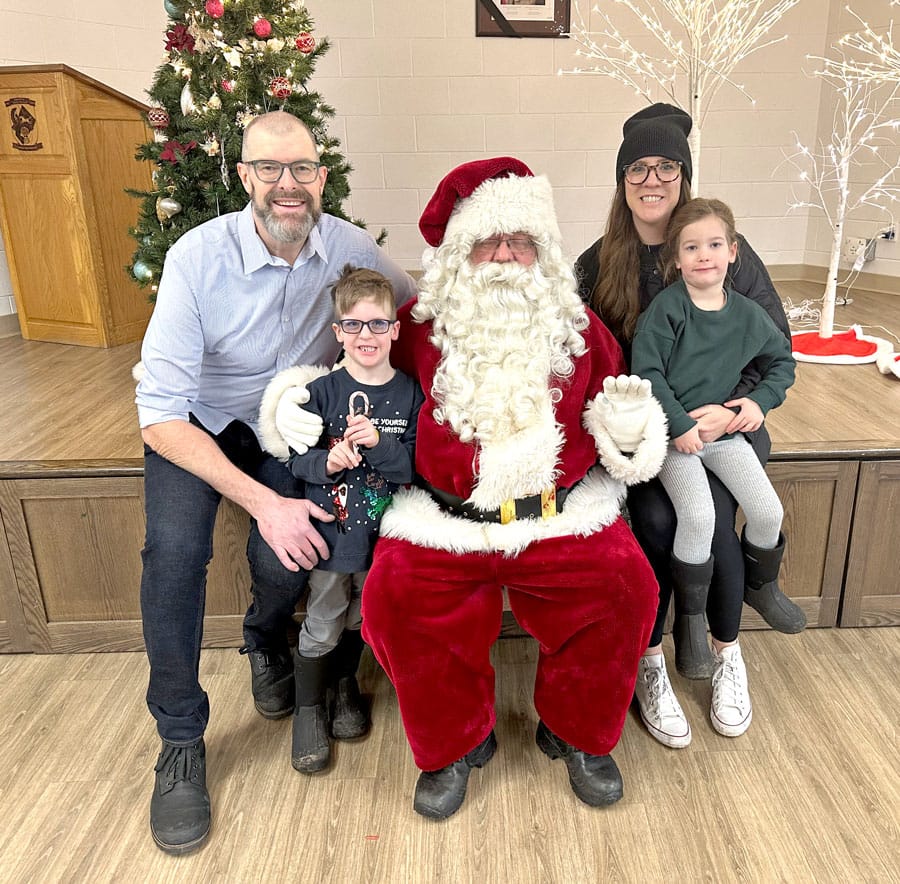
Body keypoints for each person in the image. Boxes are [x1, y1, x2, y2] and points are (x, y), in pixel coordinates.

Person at [264, 157, 669, 819]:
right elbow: (345, 382)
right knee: (394, 601)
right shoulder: (413, 328)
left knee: (628, 588)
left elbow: (616, 419)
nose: (506, 255)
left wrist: (626, 430)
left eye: (522, 241)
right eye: (490, 240)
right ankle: (455, 740)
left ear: (543, 252)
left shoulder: (580, 330)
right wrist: (294, 408)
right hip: (443, 521)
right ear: (459, 251)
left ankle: (576, 731)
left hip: (558, 519)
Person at [135, 110, 416, 855]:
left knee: (292, 551)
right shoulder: (198, 257)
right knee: (173, 553)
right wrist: (262, 502)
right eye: (270, 170)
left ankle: (265, 642)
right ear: (244, 177)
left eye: (303, 170)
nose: (287, 187)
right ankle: (180, 740)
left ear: (322, 176)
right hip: (199, 424)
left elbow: (413, 310)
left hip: (287, 426)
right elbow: (157, 415)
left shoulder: (348, 245)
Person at [575, 103, 805, 751]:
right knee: (656, 522)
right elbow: (580, 353)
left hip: (726, 421)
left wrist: (736, 409)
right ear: (622, 181)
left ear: (684, 174)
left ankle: (723, 651)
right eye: (638, 169)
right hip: (650, 432)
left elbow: (772, 343)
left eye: (666, 167)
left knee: (725, 522)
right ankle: (651, 661)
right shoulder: (598, 263)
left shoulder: (720, 247)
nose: (652, 179)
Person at [631, 197, 796, 737]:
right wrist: (679, 424)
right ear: (675, 259)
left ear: (734, 252)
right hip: (676, 439)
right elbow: (647, 371)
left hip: (722, 431)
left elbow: (782, 363)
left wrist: (754, 404)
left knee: (767, 508)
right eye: (691, 247)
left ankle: (762, 586)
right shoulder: (669, 309)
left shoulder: (748, 314)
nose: (704, 255)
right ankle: (694, 619)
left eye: (714, 245)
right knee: (698, 516)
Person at [281, 266, 424, 774]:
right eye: (355, 325)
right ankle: (309, 709)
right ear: (338, 331)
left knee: (362, 620)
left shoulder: (409, 394)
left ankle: (345, 689)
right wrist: (328, 463)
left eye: (378, 324)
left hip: (382, 539)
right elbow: (294, 460)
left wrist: (379, 445)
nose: (368, 336)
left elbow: (412, 465)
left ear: (395, 329)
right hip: (332, 539)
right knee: (322, 621)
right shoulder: (320, 394)